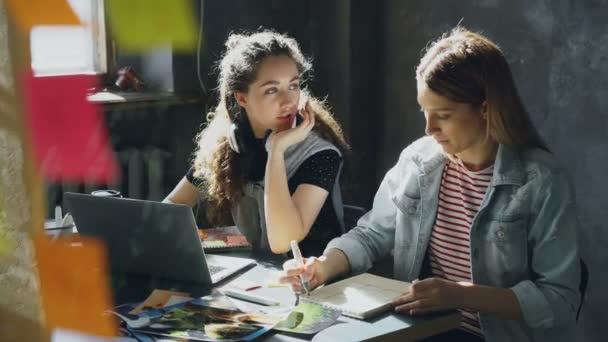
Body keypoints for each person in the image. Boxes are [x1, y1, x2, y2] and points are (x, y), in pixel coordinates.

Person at [280, 27, 581, 342]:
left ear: (486, 108)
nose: (429, 128)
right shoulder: (418, 162)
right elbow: (371, 235)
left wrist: (461, 295)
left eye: (444, 115)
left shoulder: (542, 181)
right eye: (425, 111)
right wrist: (322, 268)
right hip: (418, 331)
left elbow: (560, 299)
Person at [164, 30, 350, 257]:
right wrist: (202, 241)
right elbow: (172, 205)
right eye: (272, 90)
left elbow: (282, 242)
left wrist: (276, 150)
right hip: (255, 274)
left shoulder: (321, 154)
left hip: (314, 282)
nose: (288, 101)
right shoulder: (229, 144)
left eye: (293, 85)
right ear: (241, 98)